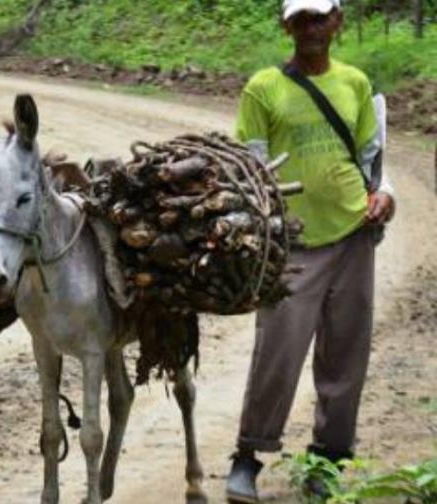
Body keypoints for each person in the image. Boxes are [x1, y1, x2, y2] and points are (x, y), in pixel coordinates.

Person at [225, 0, 396, 501]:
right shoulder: (264, 87)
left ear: (337, 21)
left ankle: (327, 461)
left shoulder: (355, 84)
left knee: (346, 354)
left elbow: (372, 158)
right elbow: (252, 165)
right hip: (293, 241)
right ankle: (248, 456)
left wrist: (384, 195)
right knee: (278, 351)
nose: (311, 29)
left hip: (352, 236)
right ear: (286, 26)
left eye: (320, 18)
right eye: (301, 19)